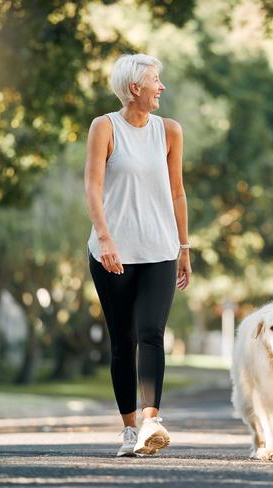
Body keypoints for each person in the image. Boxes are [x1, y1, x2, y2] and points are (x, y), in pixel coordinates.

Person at [84, 53, 191, 457]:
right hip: (113, 252)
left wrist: (184, 246)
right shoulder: (104, 127)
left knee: (151, 335)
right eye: (155, 80)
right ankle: (130, 429)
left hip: (160, 249)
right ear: (134, 88)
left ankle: (150, 422)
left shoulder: (170, 131)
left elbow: (178, 191)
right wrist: (105, 238)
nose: (161, 87)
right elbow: (93, 187)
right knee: (122, 340)